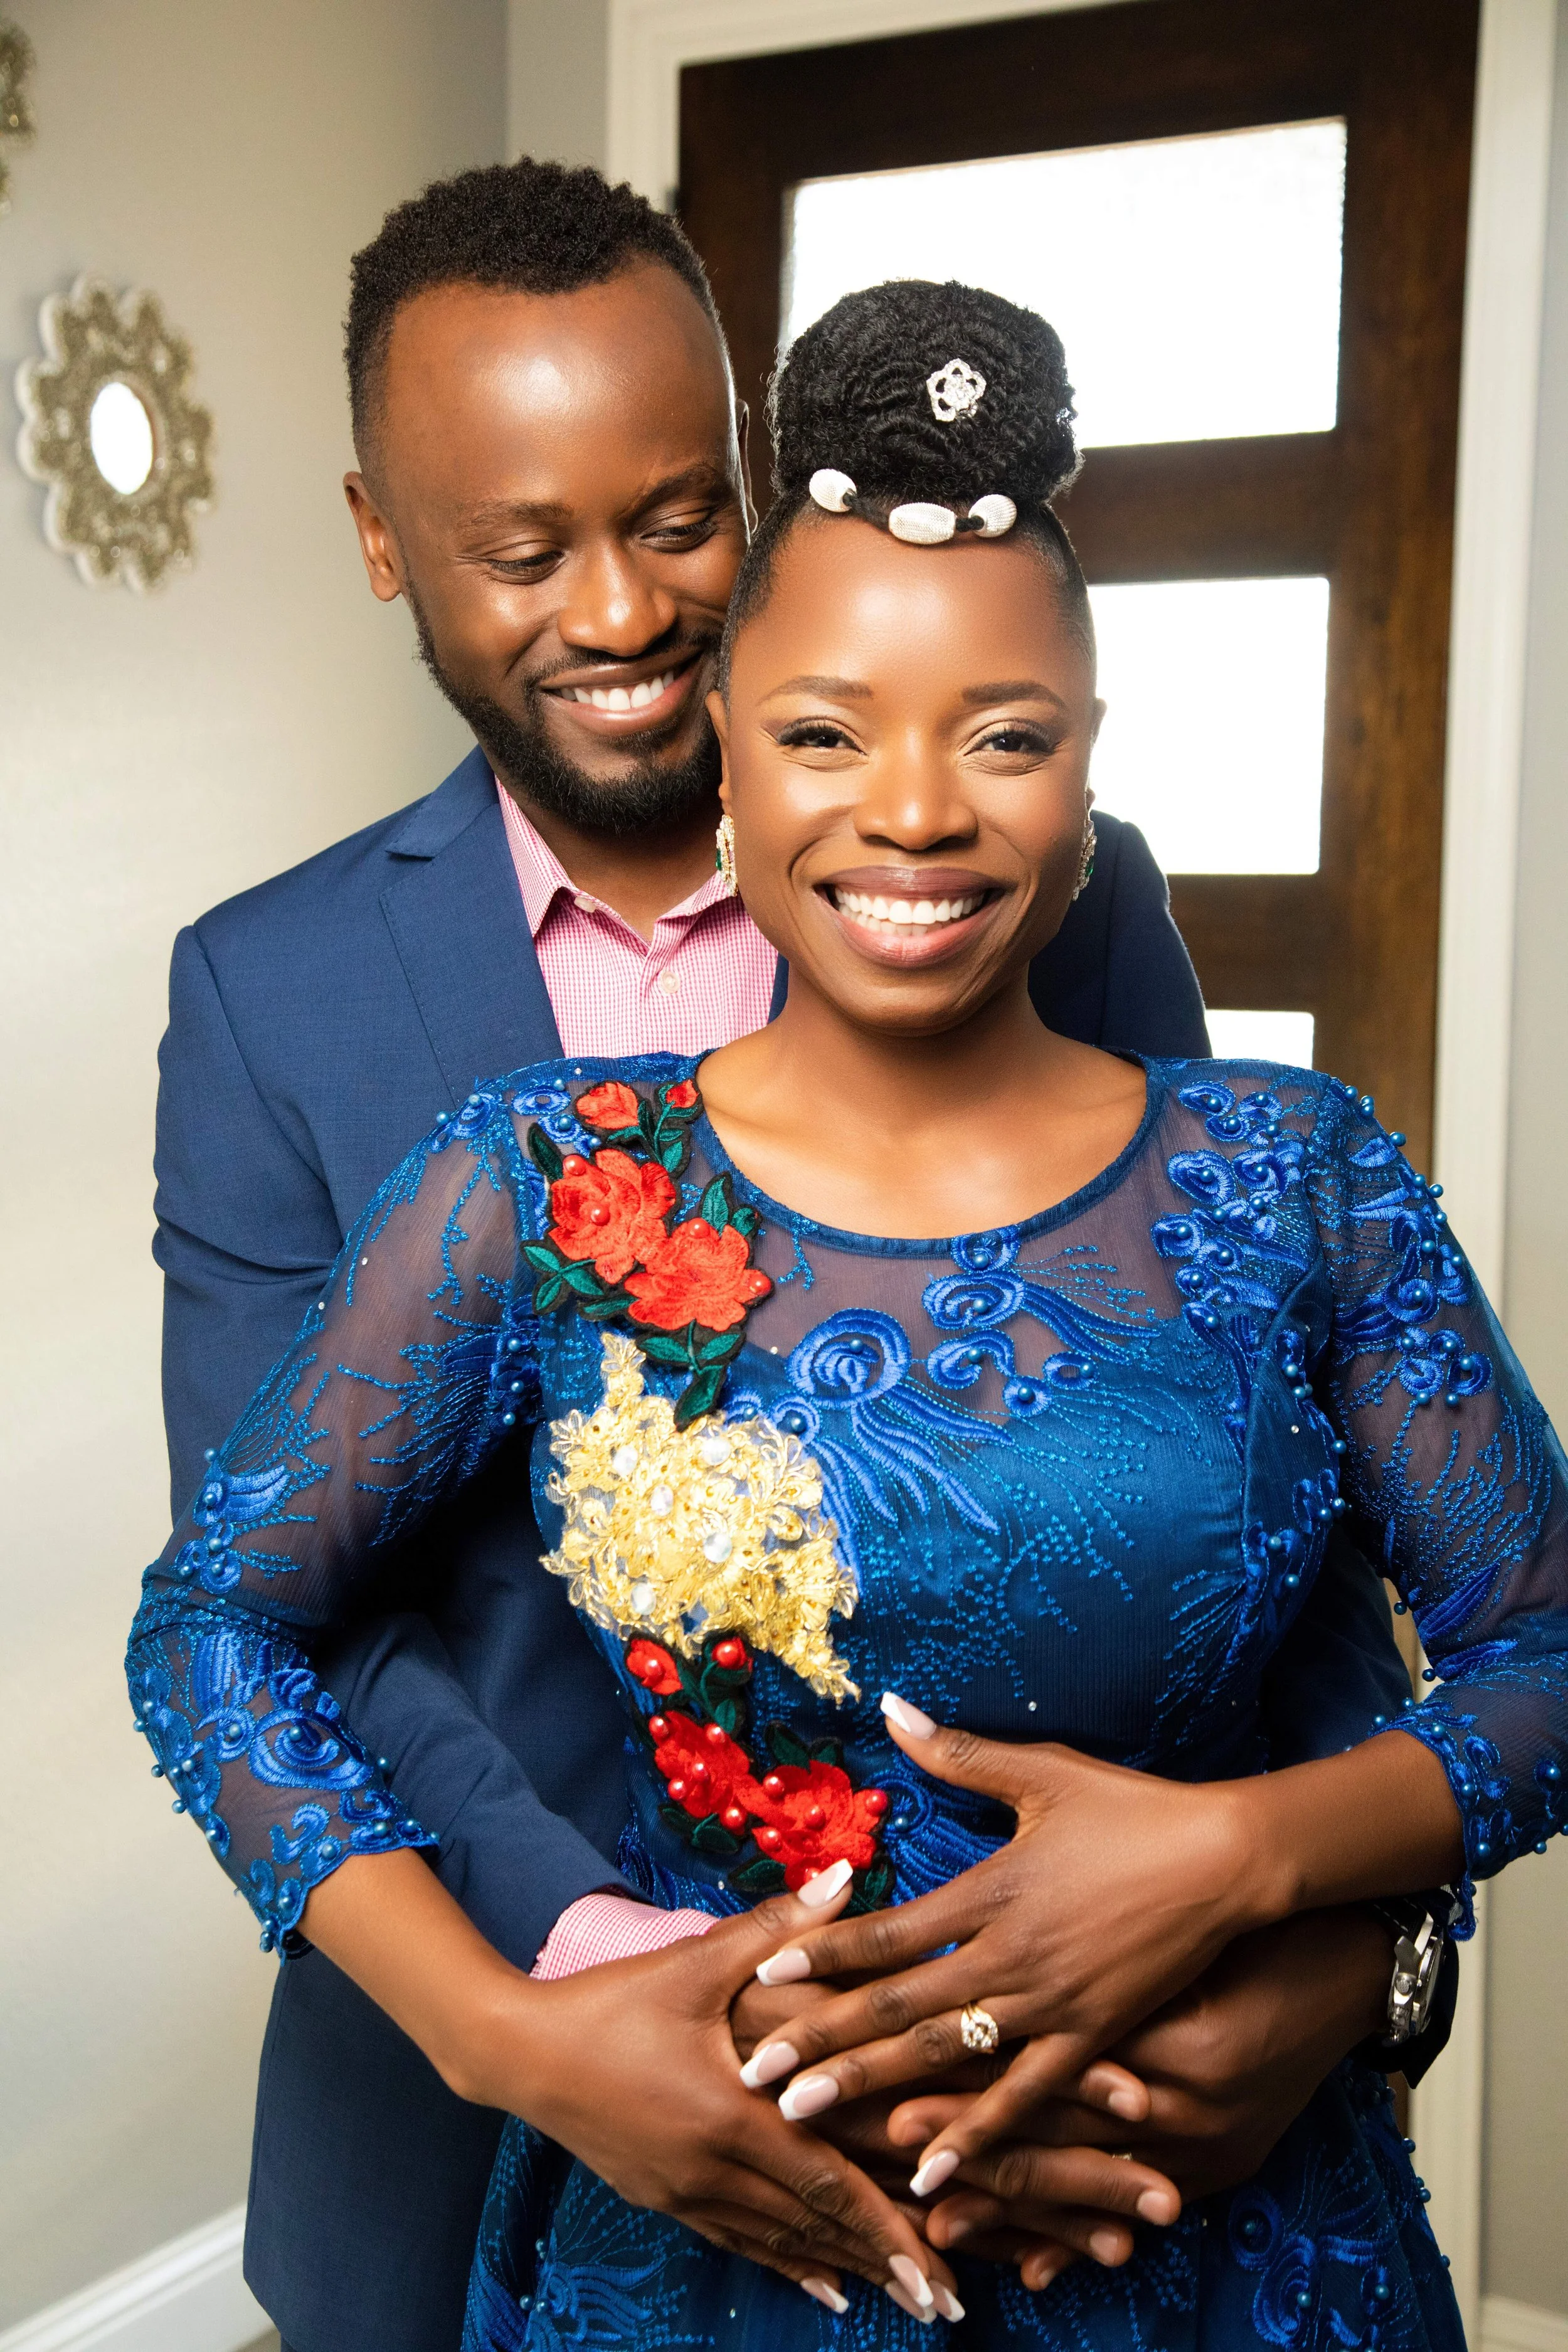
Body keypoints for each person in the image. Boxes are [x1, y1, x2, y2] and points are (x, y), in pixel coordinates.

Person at [147, 169, 1451, 2352]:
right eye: (520, 547)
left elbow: (1250, 1461)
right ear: (386, 542)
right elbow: (293, 1605)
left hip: (1085, 2106)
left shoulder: (1052, 886)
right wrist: (574, 2000)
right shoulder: (275, 996)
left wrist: (1344, 1942)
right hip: (509, 2120)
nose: (625, 607)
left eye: (674, 519)